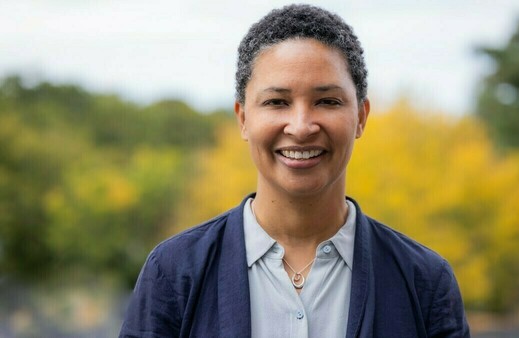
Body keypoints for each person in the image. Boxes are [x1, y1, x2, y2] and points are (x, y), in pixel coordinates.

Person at [119, 4, 470, 337]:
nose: (301, 126)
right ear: (243, 118)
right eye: (277, 102)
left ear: (361, 117)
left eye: (327, 101)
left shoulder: (424, 281)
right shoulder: (174, 273)